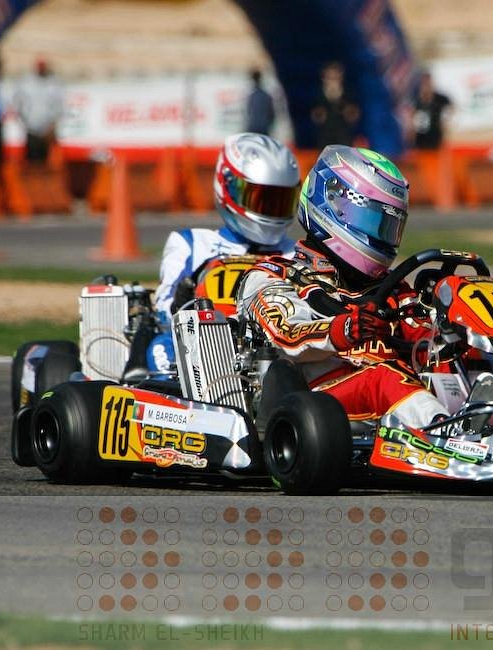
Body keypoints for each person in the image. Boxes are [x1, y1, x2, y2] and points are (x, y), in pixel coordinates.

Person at [237, 144, 466, 430]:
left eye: (389, 226)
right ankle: (448, 435)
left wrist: (451, 334)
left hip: (397, 394)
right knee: (385, 377)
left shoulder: (391, 287)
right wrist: (345, 329)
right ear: (333, 204)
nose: (382, 235)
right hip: (318, 405)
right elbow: (287, 334)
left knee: (462, 359)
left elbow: (423, 340)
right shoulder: (275, 275)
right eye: (374, 221)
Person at [124, 133, 301, 379]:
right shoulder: (193, 243)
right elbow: (164, 310)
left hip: (275, 348)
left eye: (279, 202)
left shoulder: (295, 253)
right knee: (161, 347)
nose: (270, 211)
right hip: (203, 343)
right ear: (228, 186)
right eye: (260, 200)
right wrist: (181, 303)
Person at [13, 57, 64, 162]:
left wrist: (53, 124)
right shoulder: (26, 82)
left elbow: (59, 106)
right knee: (32, 160)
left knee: (46, 161)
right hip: (31, 128)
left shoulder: (53, 83)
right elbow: (18, 103)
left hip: (47, 129)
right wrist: (23, 122)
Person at [310, 62, 360, 148]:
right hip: (325, 139)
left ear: (341, 78)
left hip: (344, 139)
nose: (332, 81)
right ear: (323, 78)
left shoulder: (349, 95)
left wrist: (347, 110)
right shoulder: (318, 96)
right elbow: (315, 117)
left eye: (335, 78)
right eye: (329, 78)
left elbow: (354, 116)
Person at [412, 71, 452, 150]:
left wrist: (446, 120)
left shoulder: (439, 98)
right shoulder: (416, 100)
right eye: (424, 84)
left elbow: (451, 107)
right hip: (420, 140)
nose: (426, 87)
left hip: (436, 138)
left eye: (428, 84)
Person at [245, 68, 275, 135]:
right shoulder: (265, 95)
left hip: (255, 127)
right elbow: (271, 114)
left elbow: (248, 112)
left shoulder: (252, 95)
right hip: (262, 127)